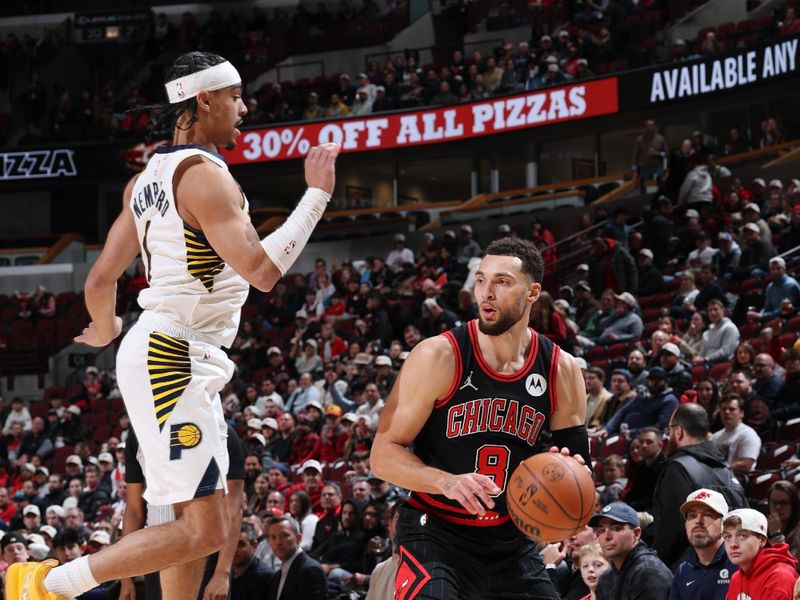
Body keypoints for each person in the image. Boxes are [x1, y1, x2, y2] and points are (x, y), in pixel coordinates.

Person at [9, 51, 340, 600]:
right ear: (202, 100)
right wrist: (316, 197)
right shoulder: (206, 177)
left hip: (168, 350)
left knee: (191, 523)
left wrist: (107, 327)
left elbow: (98, 282)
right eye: (234, 96)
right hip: (174, 355)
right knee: (205, 529)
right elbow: (259, 270)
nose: (244, 106)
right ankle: (45, 584)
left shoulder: (144, 180)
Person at [372, 237, 590, 599]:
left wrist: (562, 506)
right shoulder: (439, 356)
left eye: (502, 282)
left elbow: (578, 468)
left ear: (533, 292)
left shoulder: (561, 369)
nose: (486, 293)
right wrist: (446, 481)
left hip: (511, 541)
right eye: (481, 280)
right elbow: (382, 455)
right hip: (437, 532)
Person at [119, 423, 245, 599]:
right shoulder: (138, 432)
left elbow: (233, 510)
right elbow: (134, 510)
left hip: (207, 552)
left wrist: (222, 573)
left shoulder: (220, 429)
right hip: (157, 551)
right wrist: (126, 578)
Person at [653, 404, 748, 568]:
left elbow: (672, 531)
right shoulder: (726, 468)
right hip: (731, 566)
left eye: (670, 430)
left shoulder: (677, 468)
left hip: (691, 569)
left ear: (678, 432)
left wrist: (655, 562)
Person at [591, 502, 673, 600]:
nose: (607, 537)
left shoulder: (648, 572)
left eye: (616, 529)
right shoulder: (606, 578)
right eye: (601, 530)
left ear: (636, 534)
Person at [669, 488, 736, 600]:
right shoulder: (683, 571)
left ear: (725, 524)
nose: (698, 521)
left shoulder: (739, 564)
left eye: (708, 515)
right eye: (692, 515)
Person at [722, 508, 798, 599]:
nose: (733, 544)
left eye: (742, 536)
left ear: (762, 540)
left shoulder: (779, 578)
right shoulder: (736, 578)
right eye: (727, 537)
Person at [266, 516, 327, 600]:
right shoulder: (276, 577)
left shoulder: (311, 571)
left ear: (298, 538)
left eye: (284, 535)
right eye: (273, 537)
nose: (278, 542)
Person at [711, 395, 761, 472]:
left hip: (737, 480)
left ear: (741, 413)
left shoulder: (748, 434)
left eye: (732, 409)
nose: (727, 412)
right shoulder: (715, 436)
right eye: (723, 409)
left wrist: (719, 469)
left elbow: (746, 464)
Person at [231, 523, 274, 600]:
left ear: (254, 546)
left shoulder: (264, 577)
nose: (234, 550)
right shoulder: (226, 573)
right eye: (230, 545)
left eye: (240, 545)